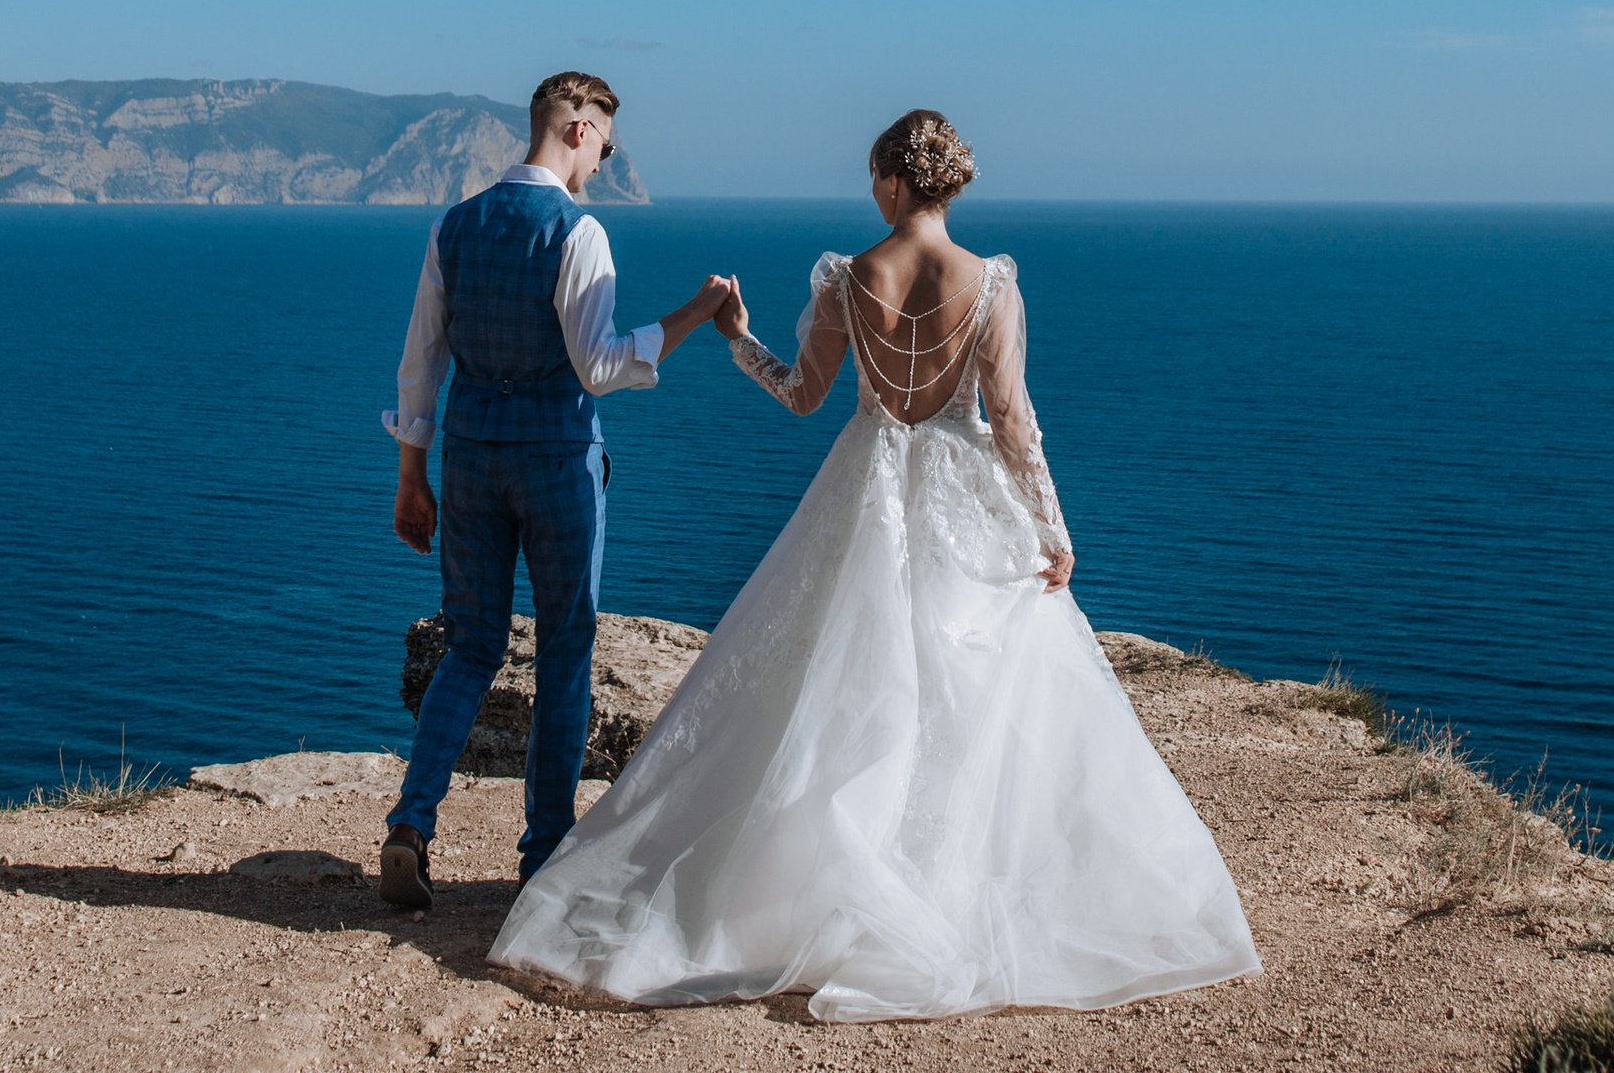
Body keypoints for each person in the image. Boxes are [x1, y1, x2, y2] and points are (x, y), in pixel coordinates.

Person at [489, 108, 1262, 1022]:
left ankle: (813, 889)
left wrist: (737, 335)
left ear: (896, 183)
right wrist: (1051, 528)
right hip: (962, 497)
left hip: (864, 491)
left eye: (872, 178)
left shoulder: (849, 279)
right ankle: (946, 884)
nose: (870, 192)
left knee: (840, 682)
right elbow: (1010, 419)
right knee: (964, 684)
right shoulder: (993, 285)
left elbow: (802, 396)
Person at [379, 70, 730, 911]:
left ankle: (411, 825)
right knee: (566, 651)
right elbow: (601, 366)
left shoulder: (454, 225)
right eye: (604, 147)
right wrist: (696, 310)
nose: (603, 166)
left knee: (470, 644)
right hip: (558, 461)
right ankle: (543, 856)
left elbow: (420, 362)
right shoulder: (580, 233)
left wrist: (409, 479)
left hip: (468, 459)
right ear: (578, 130)